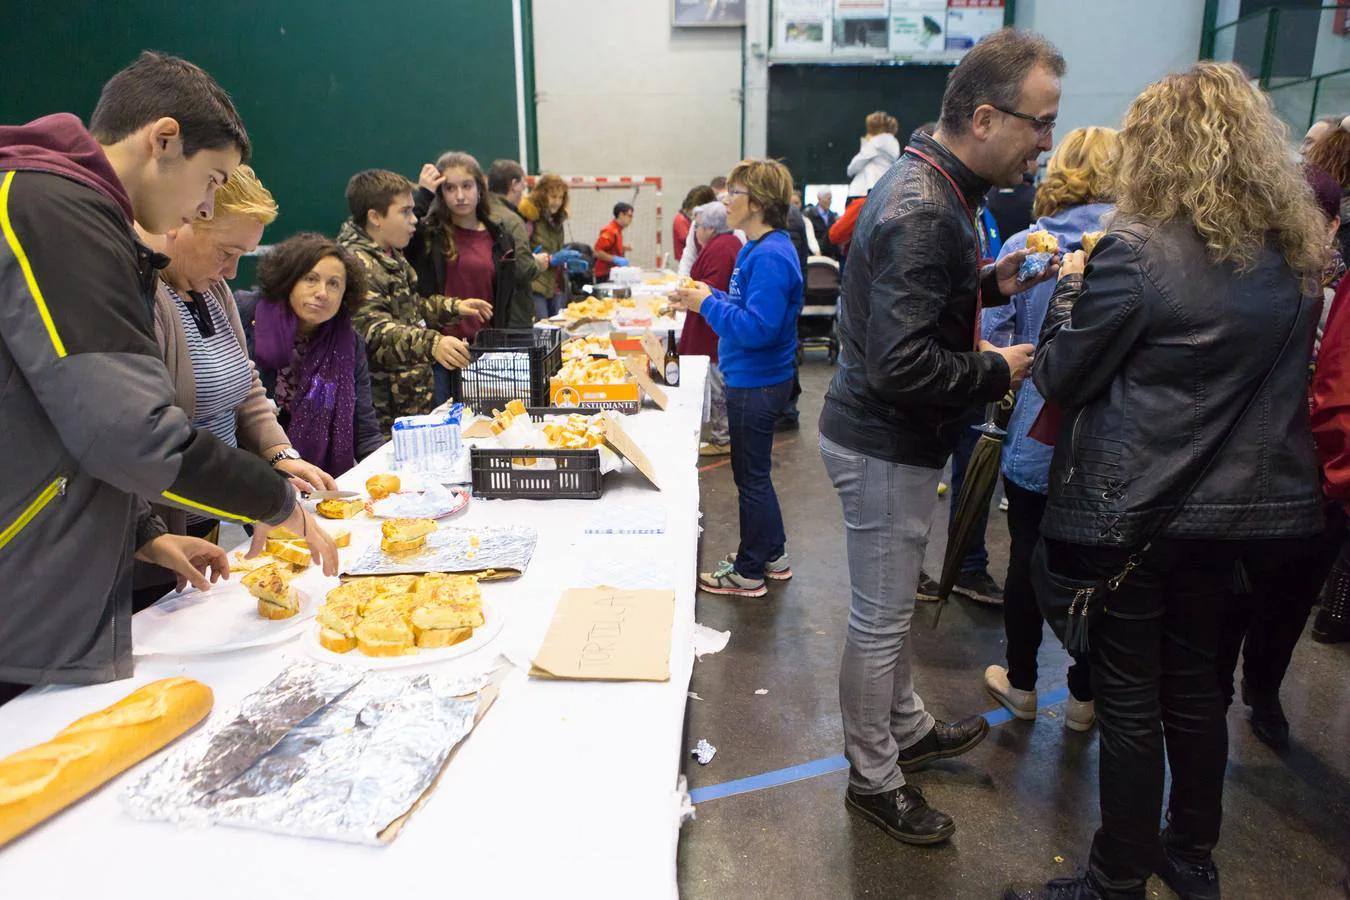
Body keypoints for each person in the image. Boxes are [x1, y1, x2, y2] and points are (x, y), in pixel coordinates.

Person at [1006, 62, 1328, 900]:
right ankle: (1190, 856)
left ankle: (1116, 878)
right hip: (1235, 515)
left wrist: (1071, 295)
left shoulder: (1134, 254)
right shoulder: (1294, 258)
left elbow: (1061, 378)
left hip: (1132, 513)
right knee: (1195, 690)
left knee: (1128, 699)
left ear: (1157, 150)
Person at [0, 51, 336, 703]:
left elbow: (62, 425)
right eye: (212, 179)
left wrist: (144, 537)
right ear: (162, 141)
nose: (206, 203)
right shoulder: (53, 210)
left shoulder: (70, 212)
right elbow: (133, 434)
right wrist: (278, 503)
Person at [818, 28, 1063, 847]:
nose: (1046, 142)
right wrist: (1001, 369)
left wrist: (994, 280)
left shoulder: (933, 185)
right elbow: (900, 364)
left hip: (891, 439)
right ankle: (873, 776)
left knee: (885, 614)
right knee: (880, 619)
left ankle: (906, 728)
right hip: (883, 440)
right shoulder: (927, 206)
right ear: (987, 118)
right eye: (1039, 122)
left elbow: (911, 305)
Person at [133, 164, 337, 609]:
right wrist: (149, 533)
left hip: (210, 521)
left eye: (242, 255)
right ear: (185, 221)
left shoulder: (213, 292)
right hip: (153, 534)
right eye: (226, 251)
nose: (231, 270)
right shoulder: (144, 302)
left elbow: (244, 384)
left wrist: (279, 454)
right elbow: (137, 436)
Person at [978, 126, 1118, 730]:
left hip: (1035, 427)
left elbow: (999, 339)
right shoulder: (1133, 245)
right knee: (1097, 568)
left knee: (1026, 557)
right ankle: (1085, 697)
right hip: (1108, 439)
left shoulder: (1027, 245)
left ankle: (1023, 681)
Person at [670, 159, 804, 597]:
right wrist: (709, 295)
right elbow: (745, 305)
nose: (725, 200)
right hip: (753, 378)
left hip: (757, 382)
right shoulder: (754, 248)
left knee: (750, 479)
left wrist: (705, 307)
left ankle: (749, 570)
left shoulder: (770, 256)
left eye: (735, 192)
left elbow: (758, 329)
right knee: (756, 476)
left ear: (759, 202)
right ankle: (774, 554)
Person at [339, 168, 488, 430]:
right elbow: (373, 331)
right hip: (383, 411)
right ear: (375, 217)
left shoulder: (389, 254)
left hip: (408, 399)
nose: (414, 220)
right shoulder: (357, 263)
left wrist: (452, 307)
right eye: (405, 212)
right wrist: (432, 343)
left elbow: (408, 308)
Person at [239, 234, 384, 477]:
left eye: (334, 284)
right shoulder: (246, 315)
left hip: (319, 478)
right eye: (311, 279)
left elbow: (365, 430)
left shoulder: (349, 343)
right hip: (250, 471)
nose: (322, 293)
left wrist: (386, 479)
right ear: (289, 280)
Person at [412, 152, 531, 405]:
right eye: (450, 188)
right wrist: (422, 194)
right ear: (440, 193)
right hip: (441, 354)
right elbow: (404, 243)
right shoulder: (429, 234)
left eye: (466, 186)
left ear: (480, 187)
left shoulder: (499, 237)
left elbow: (505, 296)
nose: (460, 196)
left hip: (486, 352)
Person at [679, 200, 742, 457]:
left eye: (699, 227)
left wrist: (690, 293)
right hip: (712, 321)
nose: (696, 232)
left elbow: (712, 286)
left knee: (716, 382)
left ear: (710, 228)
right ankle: (720, 432)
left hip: (711, 326)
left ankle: (721, 437)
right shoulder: (727, 244)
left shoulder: (720, 248)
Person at [487, 158, 548, 324]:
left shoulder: (479, 213)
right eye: (523, 185)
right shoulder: (512, 220)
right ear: (514, 184)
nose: (524, 191)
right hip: (512, 316)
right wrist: (538, 263)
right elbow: (523, 269)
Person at [519, 173, 574, 319]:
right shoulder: (530, 218)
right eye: (553, 196)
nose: (557, 202)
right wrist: (548, 259)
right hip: (535, 286)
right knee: (542, 333)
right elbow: (520, 256)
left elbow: (556, 250)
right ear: (542, 195)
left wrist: (567, 264)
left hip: (555, 286)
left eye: (561, 197)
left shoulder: (558, 220)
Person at [846, 111, 900, 201]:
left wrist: (866, 143)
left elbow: (852, 169)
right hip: (886, 189)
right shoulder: (894, 143)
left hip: (861, 192)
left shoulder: (874, 142)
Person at [674, 184, 716, 265]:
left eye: (696, 214)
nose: (695, 218)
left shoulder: (730, 228)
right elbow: (688, 256)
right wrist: (683, 277)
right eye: (693, 215)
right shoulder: (694, 225)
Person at [593, 201, 633, 281]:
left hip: (612, 272)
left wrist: (623, 248)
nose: (631, 219)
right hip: (605, 274)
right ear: (621, 215)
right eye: (629, 216)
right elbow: (597, 252)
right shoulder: (610, 230)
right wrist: (615, 259)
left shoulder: (617, 230)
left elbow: (610, 247)